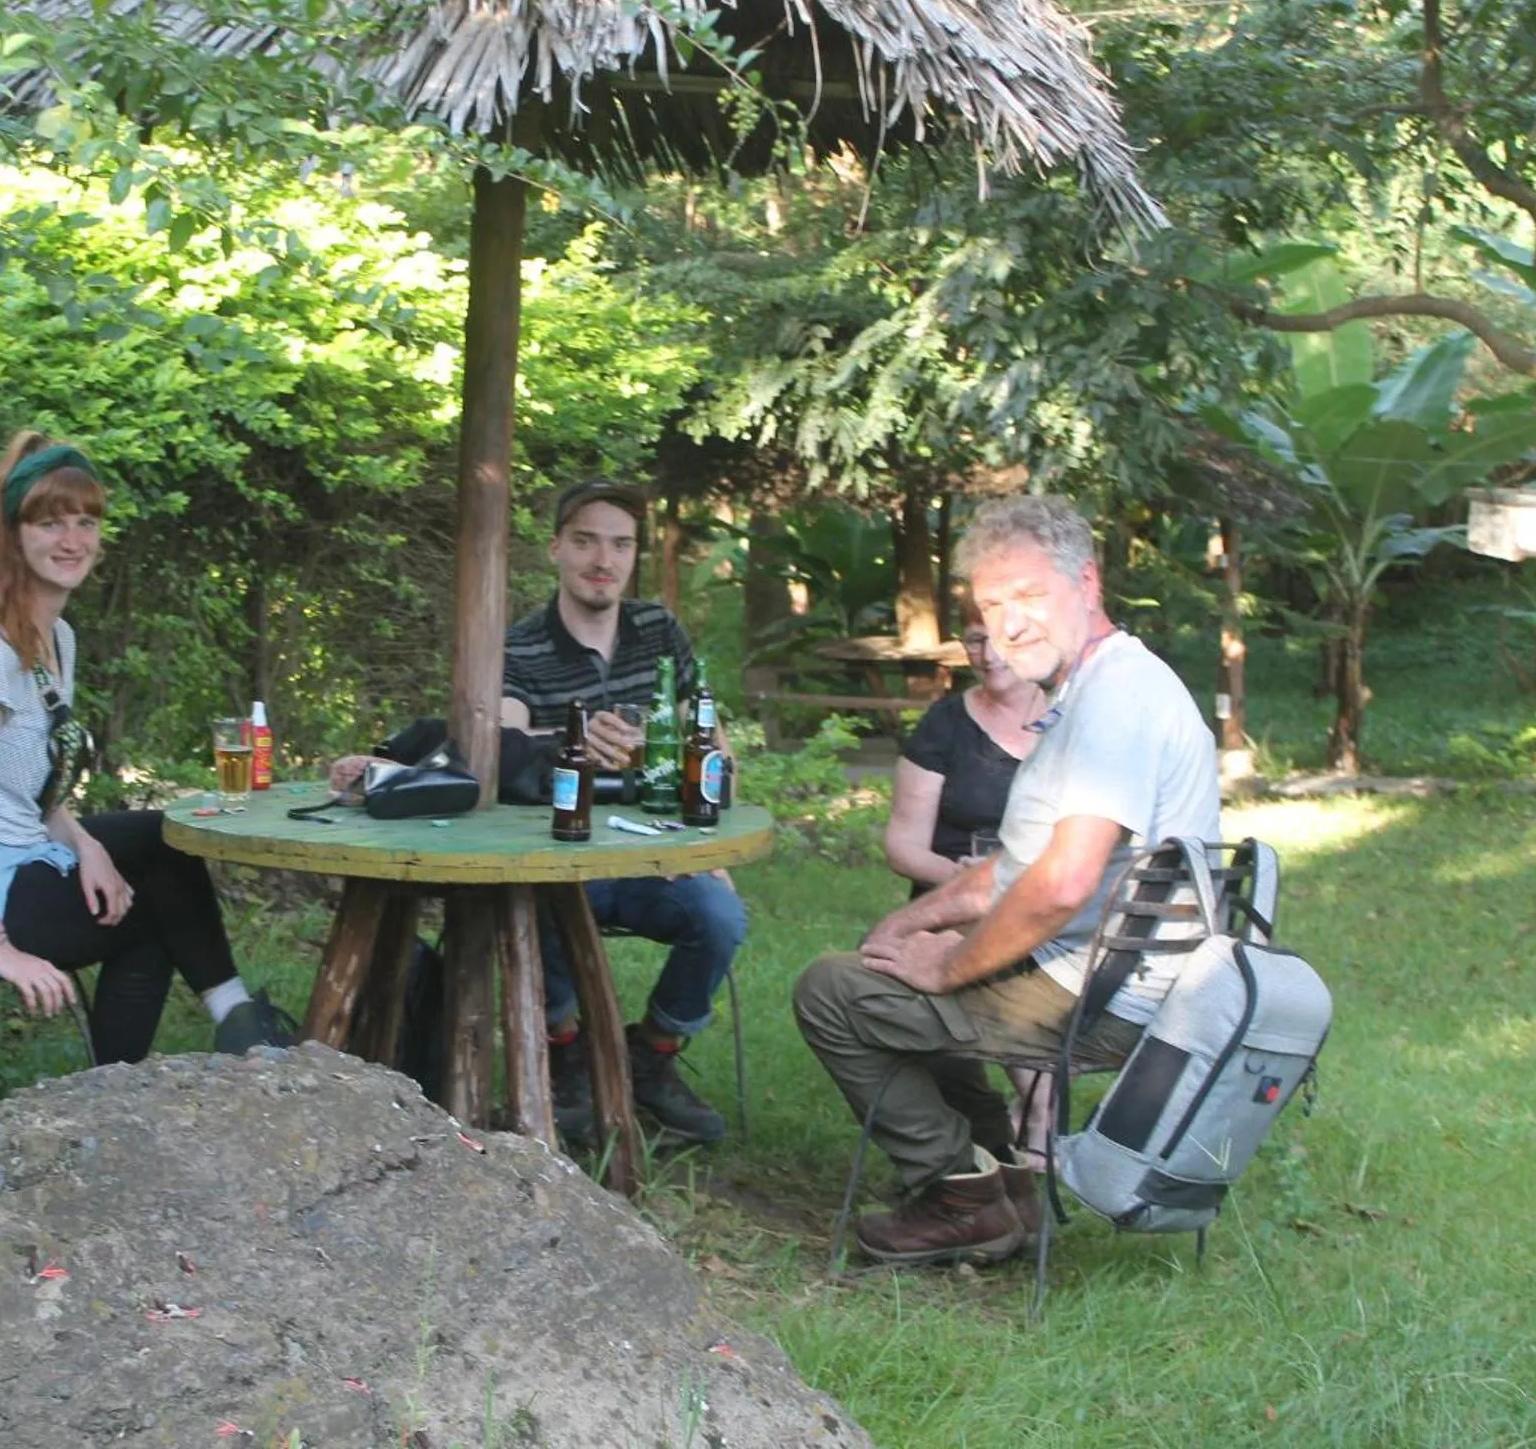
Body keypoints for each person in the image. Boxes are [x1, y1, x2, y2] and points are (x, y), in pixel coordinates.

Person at [794, 495, 1220, 1264]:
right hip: (1088, 970)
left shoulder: (1116, 700)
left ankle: (959, 1189)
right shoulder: (1088, 692)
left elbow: (1060, 885)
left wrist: (950, 961)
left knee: (833, 991)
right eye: (992, 604)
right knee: (890, 968)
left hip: (1101, 995)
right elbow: (1015, 865)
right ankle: (1002, 1183)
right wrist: (918, 921)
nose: (1008, 622)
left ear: (1086, 584)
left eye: (1028, 596)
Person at [0, 431, 294, 1094]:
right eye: (50, 523)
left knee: (156, 843)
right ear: (12, 535)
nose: (72, 540)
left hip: (9, 847)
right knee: (146, 911)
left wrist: (87, 846)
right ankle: (126, 1087)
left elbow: (22, 786)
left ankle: (209, 1033)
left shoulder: (54, 635)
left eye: (86, 521)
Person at [501, 480, 745, 1147]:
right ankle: (566, 1054)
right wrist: (576, 747)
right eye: (585, 541)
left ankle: (652, 1059)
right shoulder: (521, 646)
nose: (601, 559)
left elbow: (717, 759)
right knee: (534, 901)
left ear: (635, 555)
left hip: (651, 858)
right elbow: (503, 748)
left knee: (720, 916)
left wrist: (702, 840)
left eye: (620, 544)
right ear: (556, 549)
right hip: (556, 859)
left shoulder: (659, 633)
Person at [882, 601, 1052, 1166]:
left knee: (1021, 924)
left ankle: (1029, 1117)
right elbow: (902, 847)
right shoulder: (944, 724)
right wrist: (960, 879)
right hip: (952, 899)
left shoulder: (1070, 718)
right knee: (983, 923)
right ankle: (1037, 1114)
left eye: (1000, 638)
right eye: (975, 640)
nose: (988, 655)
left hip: (1049, 897)